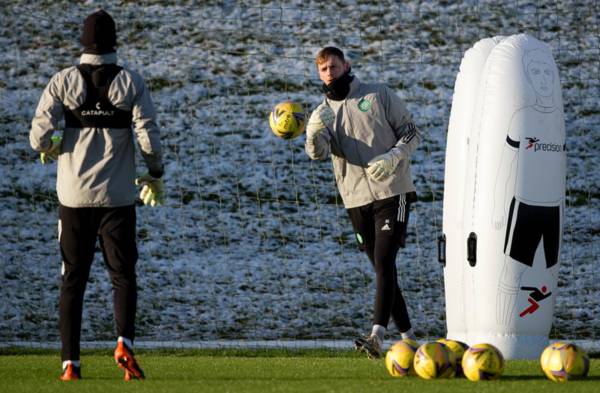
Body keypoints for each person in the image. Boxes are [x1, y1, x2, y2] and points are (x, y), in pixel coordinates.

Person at [29, 9, 164, 381]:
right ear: (115, 42)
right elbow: (148, 138)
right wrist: (154, 173)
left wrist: (56, 146)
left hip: (73, 198)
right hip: (118, 199)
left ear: (83, 41)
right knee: (122, 276)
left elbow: (37, 138)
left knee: (72, 279)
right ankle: (123, 343)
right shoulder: (132, 82)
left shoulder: (62, 81)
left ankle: (70, 365)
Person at [305, 46, 420, 358]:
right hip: (355, 199)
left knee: (384, 261)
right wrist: (313, 136)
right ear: (319, 74)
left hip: (392, 191)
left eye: (333, 66)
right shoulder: (324, 113)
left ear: (346, 65)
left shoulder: (378, 95)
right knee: (382, 269)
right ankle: (410, 339)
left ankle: (376, 336)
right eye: (323, 69)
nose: (329, 73)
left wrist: (394, 156)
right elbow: (318, 154)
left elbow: (411, 132)